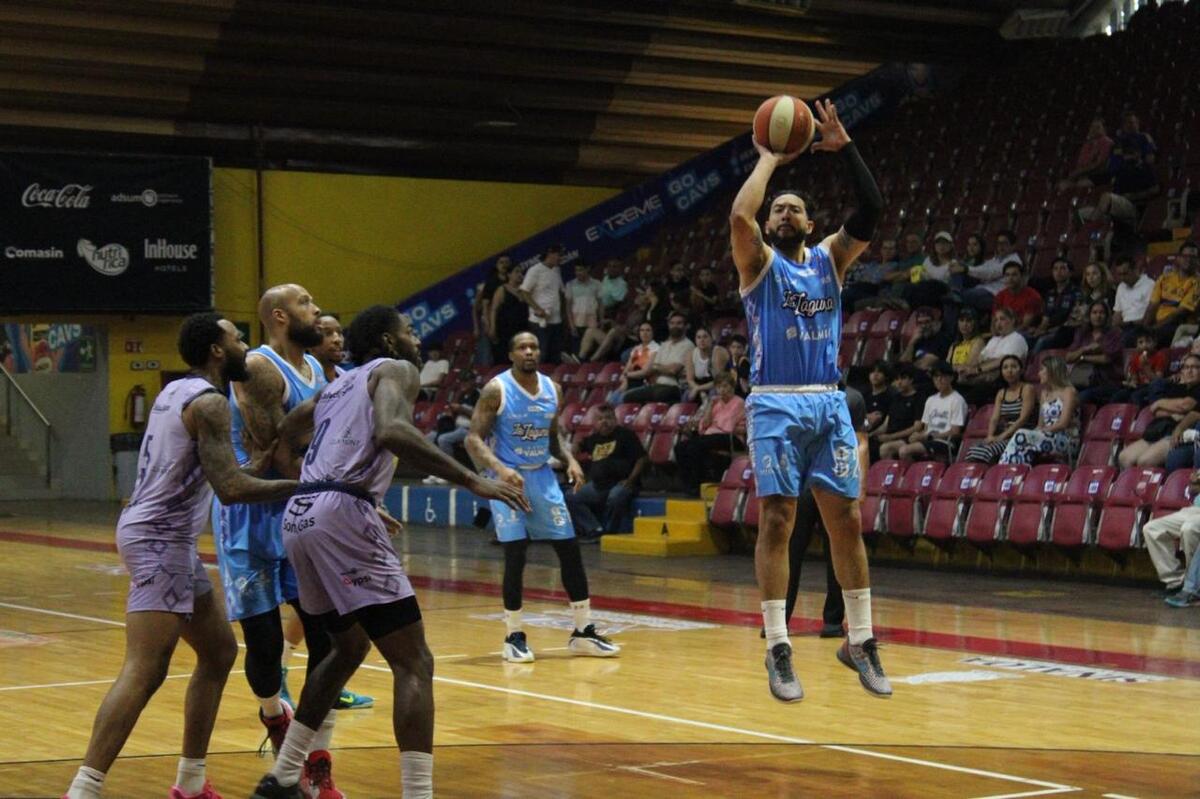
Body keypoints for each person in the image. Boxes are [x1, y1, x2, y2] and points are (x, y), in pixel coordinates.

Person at [250, 306, 529, 799]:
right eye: (407, 332)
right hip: (339, 514)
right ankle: (418, 794)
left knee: (346, 648)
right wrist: (470, 480)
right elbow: (392, 432)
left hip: (302, 513)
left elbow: (288, 430)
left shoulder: (336, 385)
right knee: (414, 662)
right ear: (388, 340)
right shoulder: (396, 370)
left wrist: (326, 485)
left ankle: (283, 776)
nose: (416, 339)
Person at [64, 313, 300, 799]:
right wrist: (314, 486)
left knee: (218, 653)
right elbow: (231, 489)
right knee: (145, 669)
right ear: (217, 350)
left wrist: (258, 464)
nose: (244, 348)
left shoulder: (177, 390)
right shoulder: (211, 402)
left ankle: (191, 782)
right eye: (237, 339)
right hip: (159, 539)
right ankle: (83, 789)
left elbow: (216, 471)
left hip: (163, 536)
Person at [729, 98, 890, 702]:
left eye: (796, 207)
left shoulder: (830, 261)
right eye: (779, 209)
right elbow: (740, 217)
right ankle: (777, 643)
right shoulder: (758, 265)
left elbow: (872, 209)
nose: (785, 211)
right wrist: (770, 160)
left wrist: (845, 146)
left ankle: (861, 638)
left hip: (827, 403)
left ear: (809, 220)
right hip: (774, 403)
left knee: (846, 520)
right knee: (777, 519)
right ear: (771, 226)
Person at [210, 285, 334, 764]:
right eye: (307, 302)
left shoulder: (317, 369)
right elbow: (278, 449)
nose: (316, 308)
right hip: (252, 515)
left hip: (297, 504)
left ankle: (312, 749)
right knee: (263, 645)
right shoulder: (261, 368)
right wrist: (335, 497)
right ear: (280, 316)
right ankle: (271, 712)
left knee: (326, 636)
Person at [465, 331, 621, 663]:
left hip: (542, 476)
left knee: (570, 550)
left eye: (534, 346)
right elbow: (473, 440)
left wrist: (570, 459)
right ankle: (514, 635)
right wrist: (500, 469)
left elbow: (552, 439)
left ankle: (583, 631)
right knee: (516, 555)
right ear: (511, 354)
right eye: (521, 347)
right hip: (508, 480)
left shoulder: (553, 389)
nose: (529, 351)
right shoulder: (497, 389)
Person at [782, 386, 869, 639]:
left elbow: (861, 442)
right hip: (802, 484)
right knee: (790, 550)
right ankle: (779, 619)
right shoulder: (798, 393)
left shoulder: (852, 397)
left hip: (836, 483)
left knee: (838, 550)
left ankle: (833, 621)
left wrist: (860, 486)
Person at [567, 404, 648, 539]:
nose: (604, 421)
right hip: (598, 486)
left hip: (621, 483)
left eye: (608, 418)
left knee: (616, 496)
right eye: (600, 419)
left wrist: (631, 479)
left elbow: (642, 458)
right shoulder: (594, 438)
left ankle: (609, 533)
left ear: (615, 420)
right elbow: (578, 445)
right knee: (571, 496)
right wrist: (575, 446)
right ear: (595, 423)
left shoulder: (626, 435)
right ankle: (594, 529)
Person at [1119, 355, 1200, 468]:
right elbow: (1157, 412)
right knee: (1124, 458)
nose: (1189, 371)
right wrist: (1164, 407)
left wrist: (1160, 403)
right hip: (1158, 431)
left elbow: (1185, 405)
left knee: (1145, 461)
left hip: (1176, 435)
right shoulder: (1176, 387)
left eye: (1194, 367)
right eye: (1186, 367)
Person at [999, 356, 1079, 466]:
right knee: (1022, 442)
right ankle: (1015, 474)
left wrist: (1040, 431)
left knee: (1021, 435)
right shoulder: (1044, 394)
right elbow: (1040, 424)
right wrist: (1037, 431)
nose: (1038, 374)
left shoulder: (1069, 391)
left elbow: (1063, 423)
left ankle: (1004, 471)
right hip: (1045, 435)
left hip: (1065, 439)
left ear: (1052, 371)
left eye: (1042, 370)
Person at [675, 371, 746, 495]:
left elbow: (727, 426)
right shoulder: (716, 403)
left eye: (725, 386)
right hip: (712, 435)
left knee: (696, 446)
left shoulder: (739, 402)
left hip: (731, 438)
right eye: (719, 387)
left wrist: (713, 424)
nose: (722, 390)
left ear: (732, 387)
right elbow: (704, 425)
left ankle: (697, 484)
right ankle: (688, 485)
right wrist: (709, 406)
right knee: (680, 447)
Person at [1141, 468, 1200, 603]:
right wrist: (1194, 482)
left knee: (1189, 529)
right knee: (1152, 529)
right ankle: (1176, 581)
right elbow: (1192, 491)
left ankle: (1193, 585)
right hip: (1194, 510)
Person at [888, 362, 967, 462]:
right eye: (936, 377)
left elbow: (955, 432)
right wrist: (917, 435)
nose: (939, 380)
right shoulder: (930, 400)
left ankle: (916, 475)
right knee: (891, 448)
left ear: (951, 378)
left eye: (943, 376)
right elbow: (926, 428)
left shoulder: (957, 400)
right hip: (928, 439)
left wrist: (929, 436)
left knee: (904, 451)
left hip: (945, 442)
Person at [965, 355, 1036, 464]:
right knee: (973, 450)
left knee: (987, 451)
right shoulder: (1001, 393)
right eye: (1005, 367)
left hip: (1020, 435)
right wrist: (990, 436)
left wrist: (1002, 436)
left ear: (1021, 370)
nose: (1009, 370)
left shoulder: (1027, 389)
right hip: (1003, 434)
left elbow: (1023, 419)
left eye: (1013, 367)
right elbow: (994, 419)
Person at [621, 312, 694, 404]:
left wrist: (657, 367)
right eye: (672, 323)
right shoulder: (665, 345)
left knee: (660, 395)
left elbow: (673, 370)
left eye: (679, 323)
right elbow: (651, 368)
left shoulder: (688, 345)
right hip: (657, 385)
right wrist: (661, 368)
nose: (675, 326)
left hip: (674, 387)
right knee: (628, 397)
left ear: (686, 326)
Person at [519, 245, 572, 364]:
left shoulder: (556, 270)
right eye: (559, 255)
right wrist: (537, 309)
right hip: (539, 321)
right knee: (542, 352)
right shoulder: (535, 270)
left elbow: (559, 292)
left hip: (556, 319)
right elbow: (524, 292)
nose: (561, 258)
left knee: (555, 352)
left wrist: (563, 314)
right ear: (550, 253)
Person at [1142, 241, 1199, 346]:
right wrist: (1144, 328)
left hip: (1178, 324)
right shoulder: (1165, 278)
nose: (1189, 260)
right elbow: (1153, 305)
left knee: (1156, 337)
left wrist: (1155, 328)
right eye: (1185, 256)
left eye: (1193, 257)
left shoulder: (1197, 283)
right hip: (1157, 323)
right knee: (1131, 337)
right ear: (1178, 258)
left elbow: (1180, 312)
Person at [868, 365, 923, 462]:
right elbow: (885, 425)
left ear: (911, 380)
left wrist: (890, 437)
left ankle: (892, 475)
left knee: (886, 448)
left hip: (906, 438)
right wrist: (871, 434)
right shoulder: (895, 398)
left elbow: (917, 427)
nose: (899, 382)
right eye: (897, 379)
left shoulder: (919, 398)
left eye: (903, 378)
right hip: (890, 435)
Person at [1064, 301, 1122, 390]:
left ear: (1107, 316)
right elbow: (1068, 358)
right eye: (1094, 312)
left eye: (1101, 313)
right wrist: (1084, 349)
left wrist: (1083, 358)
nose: (1098, 316)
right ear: (1089, 315)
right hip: (1082, 377)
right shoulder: (1082, 333)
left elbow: (1106, 359)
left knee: (1081, 398)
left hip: (1105, 380)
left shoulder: (1114, 333)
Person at [1112, 257, 1157, 345]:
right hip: (1124, 327)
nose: (1122, 278)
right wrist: (1115, 326)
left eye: (1125, 274)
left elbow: (1149, 316)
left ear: (1135, 270)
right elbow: (1117, 314)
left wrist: (1129, 323)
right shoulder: (1121, 287)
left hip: (1141, 327)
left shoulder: (1149, 284)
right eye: (1119, 274)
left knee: (1122, 341)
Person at [565, 261, 603, 360]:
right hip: (577, 324)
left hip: (592, 323)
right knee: (577, 353)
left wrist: (601, 319)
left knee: (589, 351)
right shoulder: (570, 285)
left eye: (581, 270)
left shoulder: (596, 284)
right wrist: (571, 325)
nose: (578, 273)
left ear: (587, 269)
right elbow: (568, 307)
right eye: (576, 270)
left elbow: (601, 304)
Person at [490, 264, 528, 364]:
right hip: (505, 330)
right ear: (509, 275)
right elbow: (494, 309)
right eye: (516, 272)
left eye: (521, 273)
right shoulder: (502, 290)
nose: (520, 275)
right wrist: (492, 327)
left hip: (522, 329)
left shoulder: (524, 291)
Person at [683, 327, 730, 401]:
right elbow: (690, 380)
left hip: (716, 384)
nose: (702, 340)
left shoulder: (718, 352)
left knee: (713, 393)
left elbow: (718, 380)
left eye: (705, 337)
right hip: (698, 384)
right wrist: (700, 391)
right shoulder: (691, 354)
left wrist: (698, 389)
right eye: (699, 337)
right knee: (687, 395)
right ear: (695, 340)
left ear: (711, 339)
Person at [946, 310, 986, 383]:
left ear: (975, 323)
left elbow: (969, 365)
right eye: (961, 320)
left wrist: (953, 367)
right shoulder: (954, 345)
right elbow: (946, 367)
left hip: (967, 381)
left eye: (968, 321)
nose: (964, 324)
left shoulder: (978, 341)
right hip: (952, 379)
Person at [310, 315, 346, 382]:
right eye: (328, 333)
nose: (337, 339)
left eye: (339, 332)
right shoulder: (305, 382)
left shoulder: (346, 377)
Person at [727, 333, 751, 397]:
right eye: (733, 347)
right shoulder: (729, 362)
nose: (735, 350)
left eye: (739, 347)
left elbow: (743, 381)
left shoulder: (744, 362)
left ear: (744, 349)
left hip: (742, 394)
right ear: (729, 348)